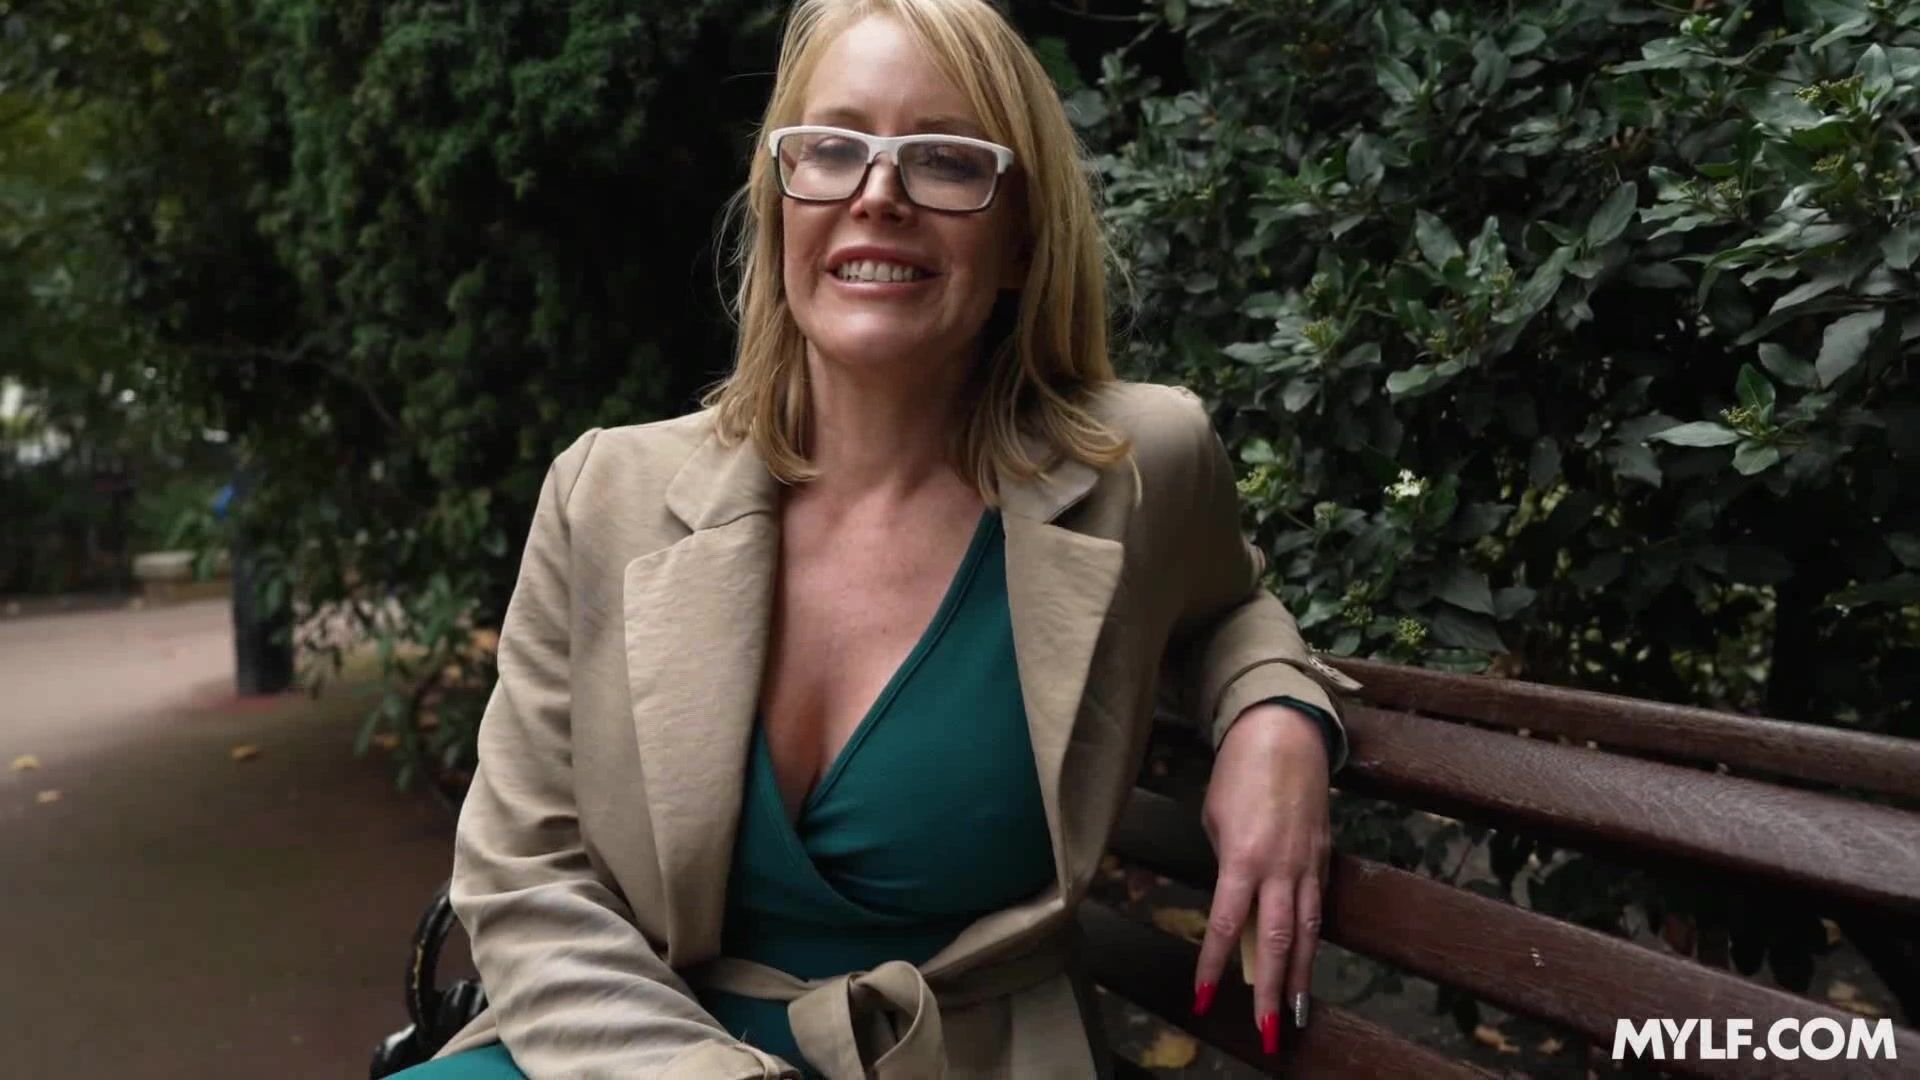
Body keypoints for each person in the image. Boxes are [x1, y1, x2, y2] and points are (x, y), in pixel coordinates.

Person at [397, 0, 1360, 1075]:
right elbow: (523, 872)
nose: (878, 194)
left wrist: (1276, 713)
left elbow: (1229, 605)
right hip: (625, 1052)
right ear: (781, 205)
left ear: (1020, 236)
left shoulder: (1139, 466)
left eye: (946, 159)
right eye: (833, 148)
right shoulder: (604, 492)